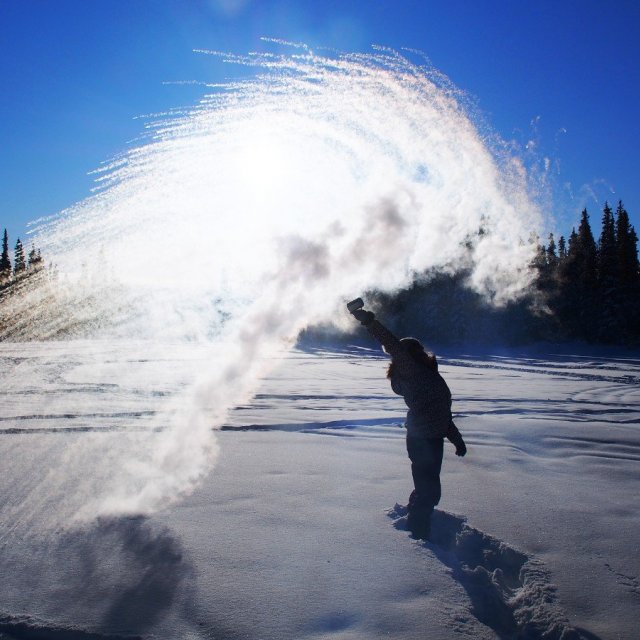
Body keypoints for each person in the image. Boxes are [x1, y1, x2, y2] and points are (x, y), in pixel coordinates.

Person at [351, 305, 466, 540]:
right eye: (418, 350)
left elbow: (442, 411)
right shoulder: (412, 371)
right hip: (421, 439)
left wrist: (457, 440)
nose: (424, 353)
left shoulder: (428, 374)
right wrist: (367, 319)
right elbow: (391, 343)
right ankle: (418, 533)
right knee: (429, 491)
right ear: (410, 355)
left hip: (434, 438)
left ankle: (417, 518)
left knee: (429, 489)